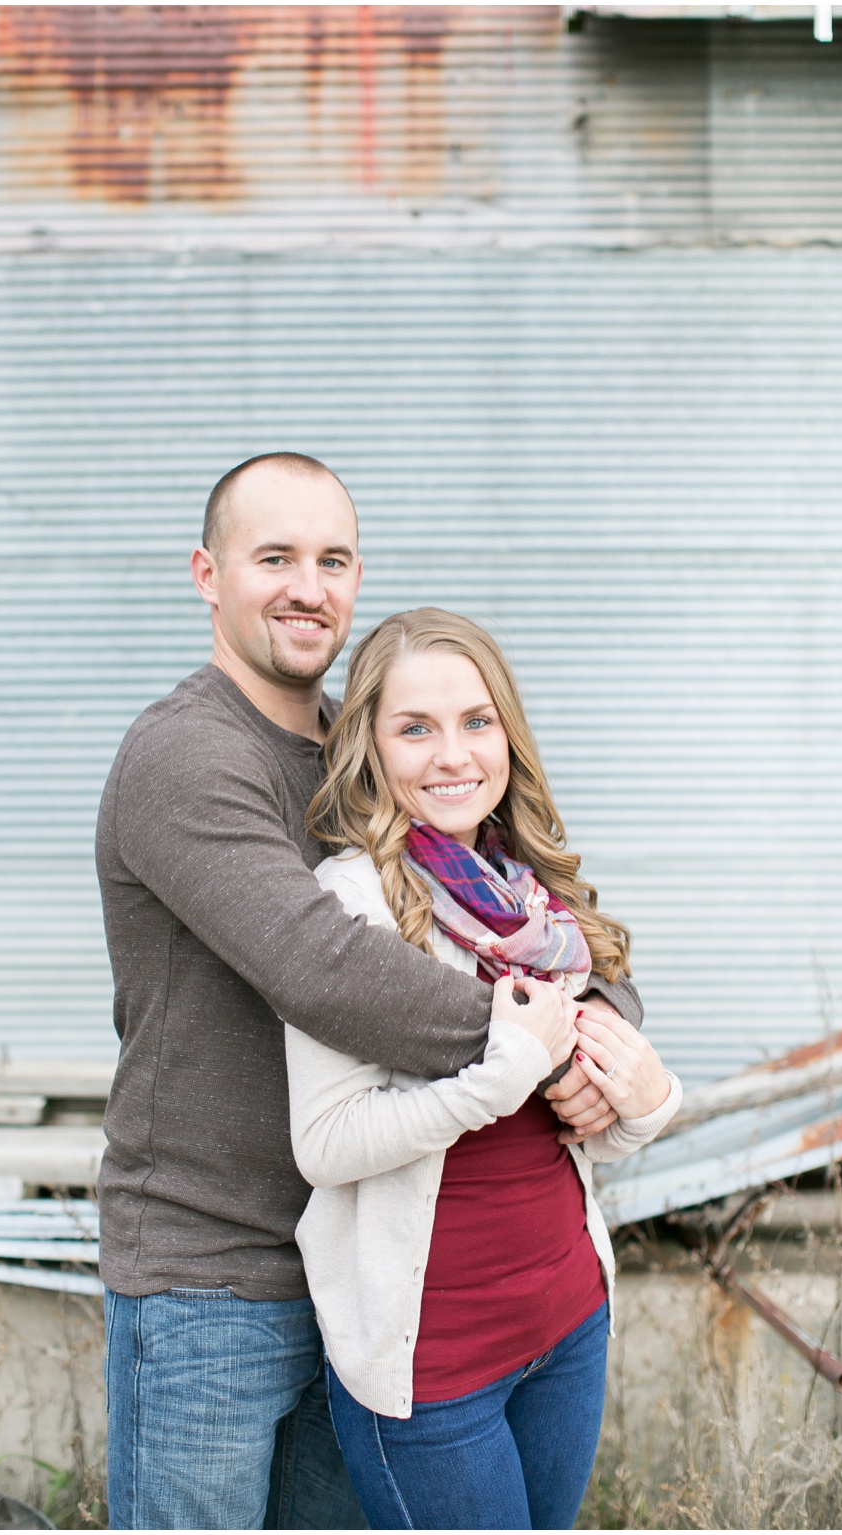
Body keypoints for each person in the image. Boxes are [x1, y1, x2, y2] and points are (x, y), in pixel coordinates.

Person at [94, 454, 626, 1528]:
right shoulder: (185, 756)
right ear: (207, 572)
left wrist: (610, 1019)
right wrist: (556, 1048)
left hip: (370, 1266)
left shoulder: (371, 744)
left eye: (331, 559)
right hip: (216, 1271)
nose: (307, 585)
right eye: (274, 557)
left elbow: (540, 901)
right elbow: (324, 970)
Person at [288, 607, 680, 1528]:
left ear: (508, 732)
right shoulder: (349, 904)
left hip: (568, 1321)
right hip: (434, 1364)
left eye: (475, 721)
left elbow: (590, 1130)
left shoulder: (533, 899)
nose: (452, 754)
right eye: (414, 728)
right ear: (371, 749)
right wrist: (496, 1077)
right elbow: (326, 1142)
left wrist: (649, 1098)